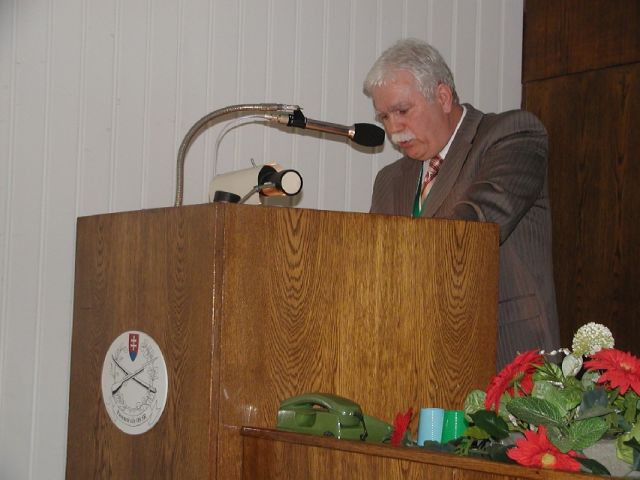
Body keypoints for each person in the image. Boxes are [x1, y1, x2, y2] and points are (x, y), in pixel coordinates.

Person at [364, 38, 560, 369]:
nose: (393, 129)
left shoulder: (510, 135)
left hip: (506, 351)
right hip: (417, 359)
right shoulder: (390, 179)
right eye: (384, 116)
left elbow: (475, 224)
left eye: (402, 111)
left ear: (442, 97)